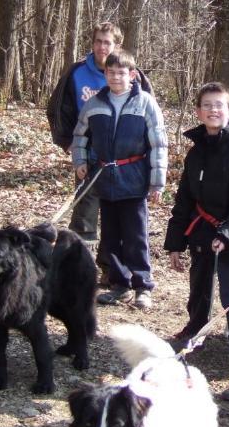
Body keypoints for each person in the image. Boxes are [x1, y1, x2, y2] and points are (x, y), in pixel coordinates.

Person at [164, 82, 229, 402]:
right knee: (199, 286)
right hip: (201, 233)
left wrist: (228, 234)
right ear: (198, 112)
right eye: (207, 105)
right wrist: (175, 242)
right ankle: (195, 330)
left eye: (219, 105)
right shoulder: (196, 152)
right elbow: (184, 200)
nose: (213, 110)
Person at [46, 22, 152, 284]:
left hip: (125, 163)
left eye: (108, 42)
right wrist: (68, 143)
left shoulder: (132, 74)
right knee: (84, 216)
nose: (102, 47)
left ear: (117, 45)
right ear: (92, 43)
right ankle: (76, 270)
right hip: (90, 157)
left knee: (118, 220)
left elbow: (149, 118)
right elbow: (58, 109)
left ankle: (111, 271)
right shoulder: (77, 72)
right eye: (98, 41)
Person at [71, 50, 167, 310]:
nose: (115, 77)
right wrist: (80, 162)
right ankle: (119, 284)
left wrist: (157, 183)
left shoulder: (145, 102)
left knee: (136, 236)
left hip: (134, 179)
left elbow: (158, 143)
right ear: (105, 74)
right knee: (111, 236)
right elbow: (80, 136)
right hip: (105, 179)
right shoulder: (95, 103)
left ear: (132, 75)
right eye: (110, 72)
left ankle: (142, 286)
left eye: (121, 73)